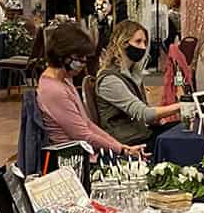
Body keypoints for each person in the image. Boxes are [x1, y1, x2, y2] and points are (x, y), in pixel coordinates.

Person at [36, 22, 143, 156]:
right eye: (79, 57)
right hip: (73, 158)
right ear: (63, 55)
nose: (83, 62)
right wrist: (121, 150)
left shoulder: (64, 80)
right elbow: (83, 135)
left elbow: (87, 124)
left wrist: (121, 147)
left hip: (84, 152)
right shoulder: (53, 90)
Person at [96, 20, 180, 150]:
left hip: (140, 133)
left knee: (182, 129)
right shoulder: (109, 80)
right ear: (123, 43)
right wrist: (181, 106)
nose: (143, 47)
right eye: (138, 41)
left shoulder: (132, 74)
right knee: (181, 136)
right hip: (128, 142)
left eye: (145, 42)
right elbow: (144, 114)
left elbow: (146, 115)